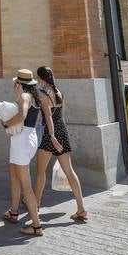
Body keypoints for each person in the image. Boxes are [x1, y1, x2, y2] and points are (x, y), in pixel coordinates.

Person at [33, 65, 87, 222]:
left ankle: (35, 205)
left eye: (38, 78)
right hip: (62, 130)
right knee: (69, 171)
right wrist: (59, 133)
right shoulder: (59, 93)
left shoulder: (43, 93)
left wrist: (51, 135)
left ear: (41, 78)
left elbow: (48, 116)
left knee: (41, 171)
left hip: (51, 134)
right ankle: (81, 209)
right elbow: (61, 115)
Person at [0, 68, 45, 237]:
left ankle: (36, 225)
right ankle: (13, 212)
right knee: (14, 174)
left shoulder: (25, 96)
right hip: (29, 137)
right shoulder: (33, 96)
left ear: (19, 83)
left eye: (15, 83)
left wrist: (6, 123)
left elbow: (22, 115)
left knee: (25, 183)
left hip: (22, 139)